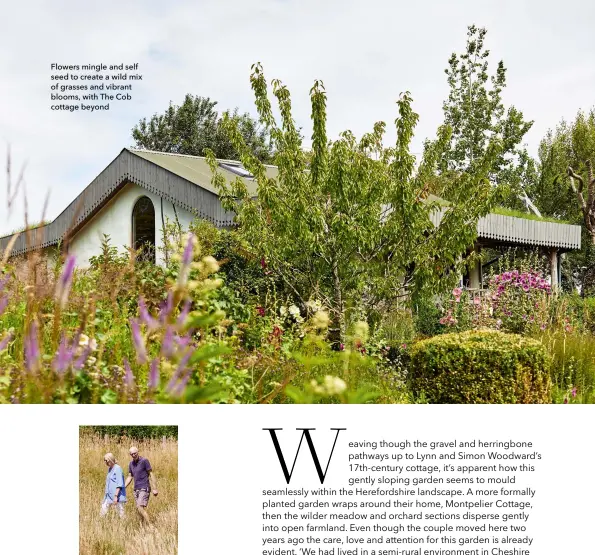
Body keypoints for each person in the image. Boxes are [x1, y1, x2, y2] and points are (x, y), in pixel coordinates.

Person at [125, 446, 158, 524]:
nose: (133, 455)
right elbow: (130, 476)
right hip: (136, 489)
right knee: (139, 510)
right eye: (131, 454)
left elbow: (151, 474)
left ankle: (151, 526)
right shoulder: (131, 464)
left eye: (135, 453)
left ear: (138, 452)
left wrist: (155, 488)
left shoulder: (144, 461)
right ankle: (142, 527)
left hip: (144, 487)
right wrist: (123, 487)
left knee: (139, 507)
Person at [100, 453, 126, 518]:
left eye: (106, 460)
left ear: (110, 460)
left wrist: (116, 496)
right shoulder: (110, 469)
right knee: (103, 511)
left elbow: (120, 483)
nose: (105, 462)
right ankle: (101, 525)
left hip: (117, 496)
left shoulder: (118, 468)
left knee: (121, 513)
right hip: (108, 495)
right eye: (104, 460)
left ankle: (124, 526)